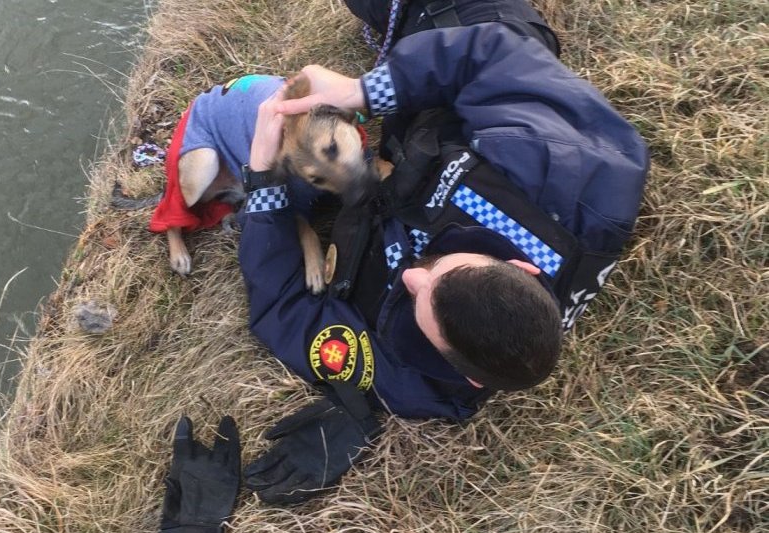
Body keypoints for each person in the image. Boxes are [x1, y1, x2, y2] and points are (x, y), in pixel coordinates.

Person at [239, 0, 649, 503]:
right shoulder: (576, 180)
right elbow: (497, 57)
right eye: (439, 273)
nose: (411, 279)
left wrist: (262, 177)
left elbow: (281, 306)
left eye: (420, 302)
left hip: (409, 106)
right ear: (520, 267)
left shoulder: (412, 376)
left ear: (467, 379)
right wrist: (364, 89)